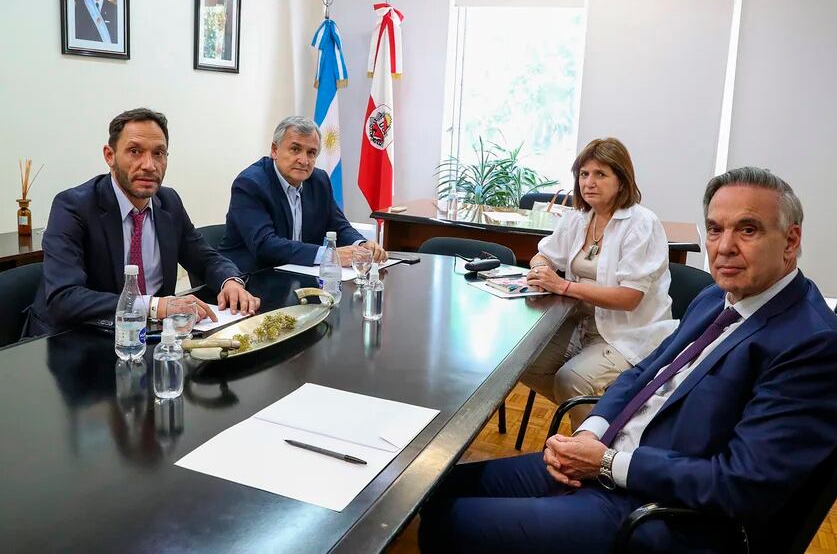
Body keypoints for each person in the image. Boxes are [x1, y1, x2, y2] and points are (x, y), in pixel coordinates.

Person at [418, 167, 837, 553]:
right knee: (434, 489)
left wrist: (608, 464)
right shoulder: (716, 297)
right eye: (714, 229)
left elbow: (739, 484)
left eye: (748, 229)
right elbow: (644, 372)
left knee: (447, 523)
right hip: (606, 458)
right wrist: (592, 433)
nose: (724, 247)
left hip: (655, 508)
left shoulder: (810, 343)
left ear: (791, 240)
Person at [25, 108, 260, 337]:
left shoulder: (168, 202)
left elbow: (205, 259)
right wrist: (155, 306)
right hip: (77, 339)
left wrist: (231, 282)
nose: (149, 165)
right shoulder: (73, 206)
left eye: (158, 153)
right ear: (110, 156)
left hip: (151, 337)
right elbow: (65, 298)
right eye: (135, 151)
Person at [521, 138, 677, 429]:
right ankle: (610, 421)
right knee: (521, 364)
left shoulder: (641, 223)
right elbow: (543, 255)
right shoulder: (577, 218)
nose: (589, 182)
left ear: (622, 180)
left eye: (600, 174)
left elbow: (629, 297)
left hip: (629, 332)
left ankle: (592, 452)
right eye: (583, 174)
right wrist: (541, 270)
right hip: (580, 325)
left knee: (571, 380)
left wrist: (563, 286)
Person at [218, 116, 387, 272]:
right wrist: (330, 256)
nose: (304, 160)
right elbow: (265, 245)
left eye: (311, 153)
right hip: (252, 279)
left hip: (299, 277)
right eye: (295, 149)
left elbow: (339, 226)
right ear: (275, 150)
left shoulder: (319, 180)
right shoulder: (251, 184)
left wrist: (362, 245)